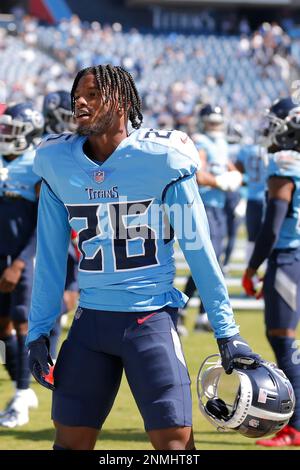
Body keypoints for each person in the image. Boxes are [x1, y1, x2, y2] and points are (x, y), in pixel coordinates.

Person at [26, 64, 260, 450]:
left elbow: (199, 249)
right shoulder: (57, 162)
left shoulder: (161, 157)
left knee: (174, 449)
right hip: (89, 324)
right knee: (68, 444)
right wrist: (38, 334)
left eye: (92, 94)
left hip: (149, 320)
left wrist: (227, 330)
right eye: (76, 97)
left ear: (120, 101)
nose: (80, 103)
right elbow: (50, 260)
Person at [242, 97, 300, 447]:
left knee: (283, 340)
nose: (270, 128)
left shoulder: (285, 162)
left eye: (276, 122)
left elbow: (272, 226)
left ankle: (296, 428)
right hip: (295, 257)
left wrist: (252, 267)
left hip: (287, 258)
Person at [179, 105, 242, 333]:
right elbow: (198, 173)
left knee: (213, 261)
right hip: (204, 206)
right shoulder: (200, 142)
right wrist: (220, 182)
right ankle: (182, 309)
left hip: (219, 206)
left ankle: (202, 316)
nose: (215, 127)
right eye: (211, 122)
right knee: (207, 261)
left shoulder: (221, 143)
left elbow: (229, 167)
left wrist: (235, 176)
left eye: (218, 122)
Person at [0, 102, 44, 427]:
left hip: (21, 259)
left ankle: (21, 395)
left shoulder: (37, 165)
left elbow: (44, 223)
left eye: (10, 130)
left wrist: (19, 263)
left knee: (23, 325)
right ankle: (22, 388)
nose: (4, 135)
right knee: (2, 329)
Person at [42, 90, 79, 359]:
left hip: (66, 225)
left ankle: (48, 354)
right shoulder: (42, 145)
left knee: (60, 297)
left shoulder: (72, 144)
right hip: (35, 224)